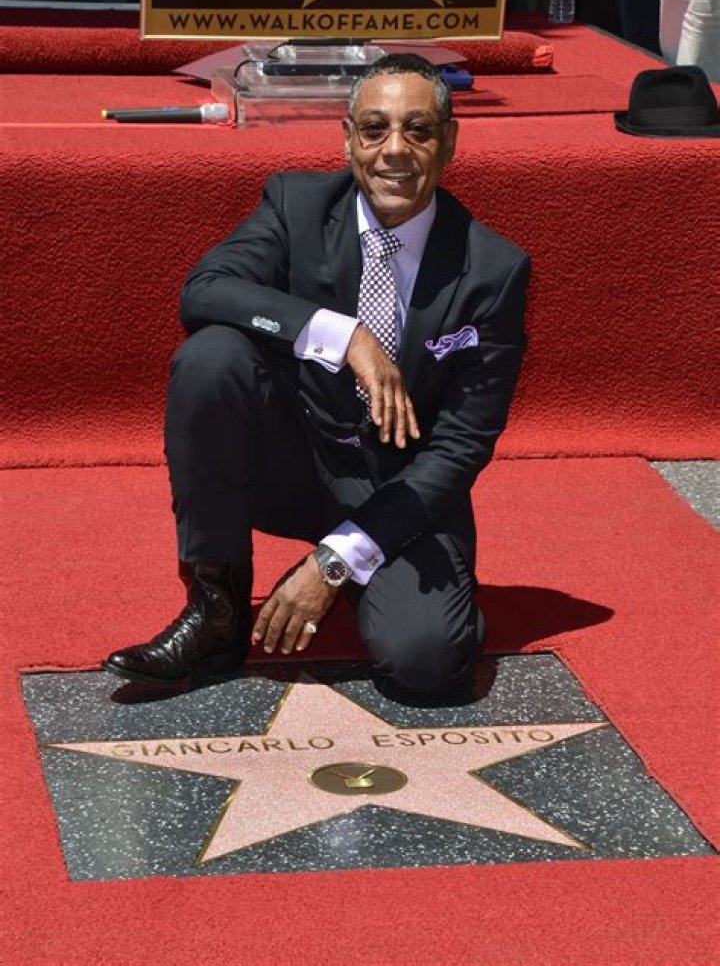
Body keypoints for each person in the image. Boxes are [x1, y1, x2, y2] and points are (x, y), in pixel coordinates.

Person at [103, 53, 530, 701]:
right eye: (375, 129)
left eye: (417, 130)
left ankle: (372, 574)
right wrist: (344, 334)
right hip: (289, 460)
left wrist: (335, 562)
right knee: (212, 358)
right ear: (348, 138)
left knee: (427, 668)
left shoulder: (493, 270)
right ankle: (216, 611)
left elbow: (460, 447)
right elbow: (205, 289)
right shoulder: (295, 204)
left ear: (449, 142)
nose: (394, 150)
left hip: (400, 488)